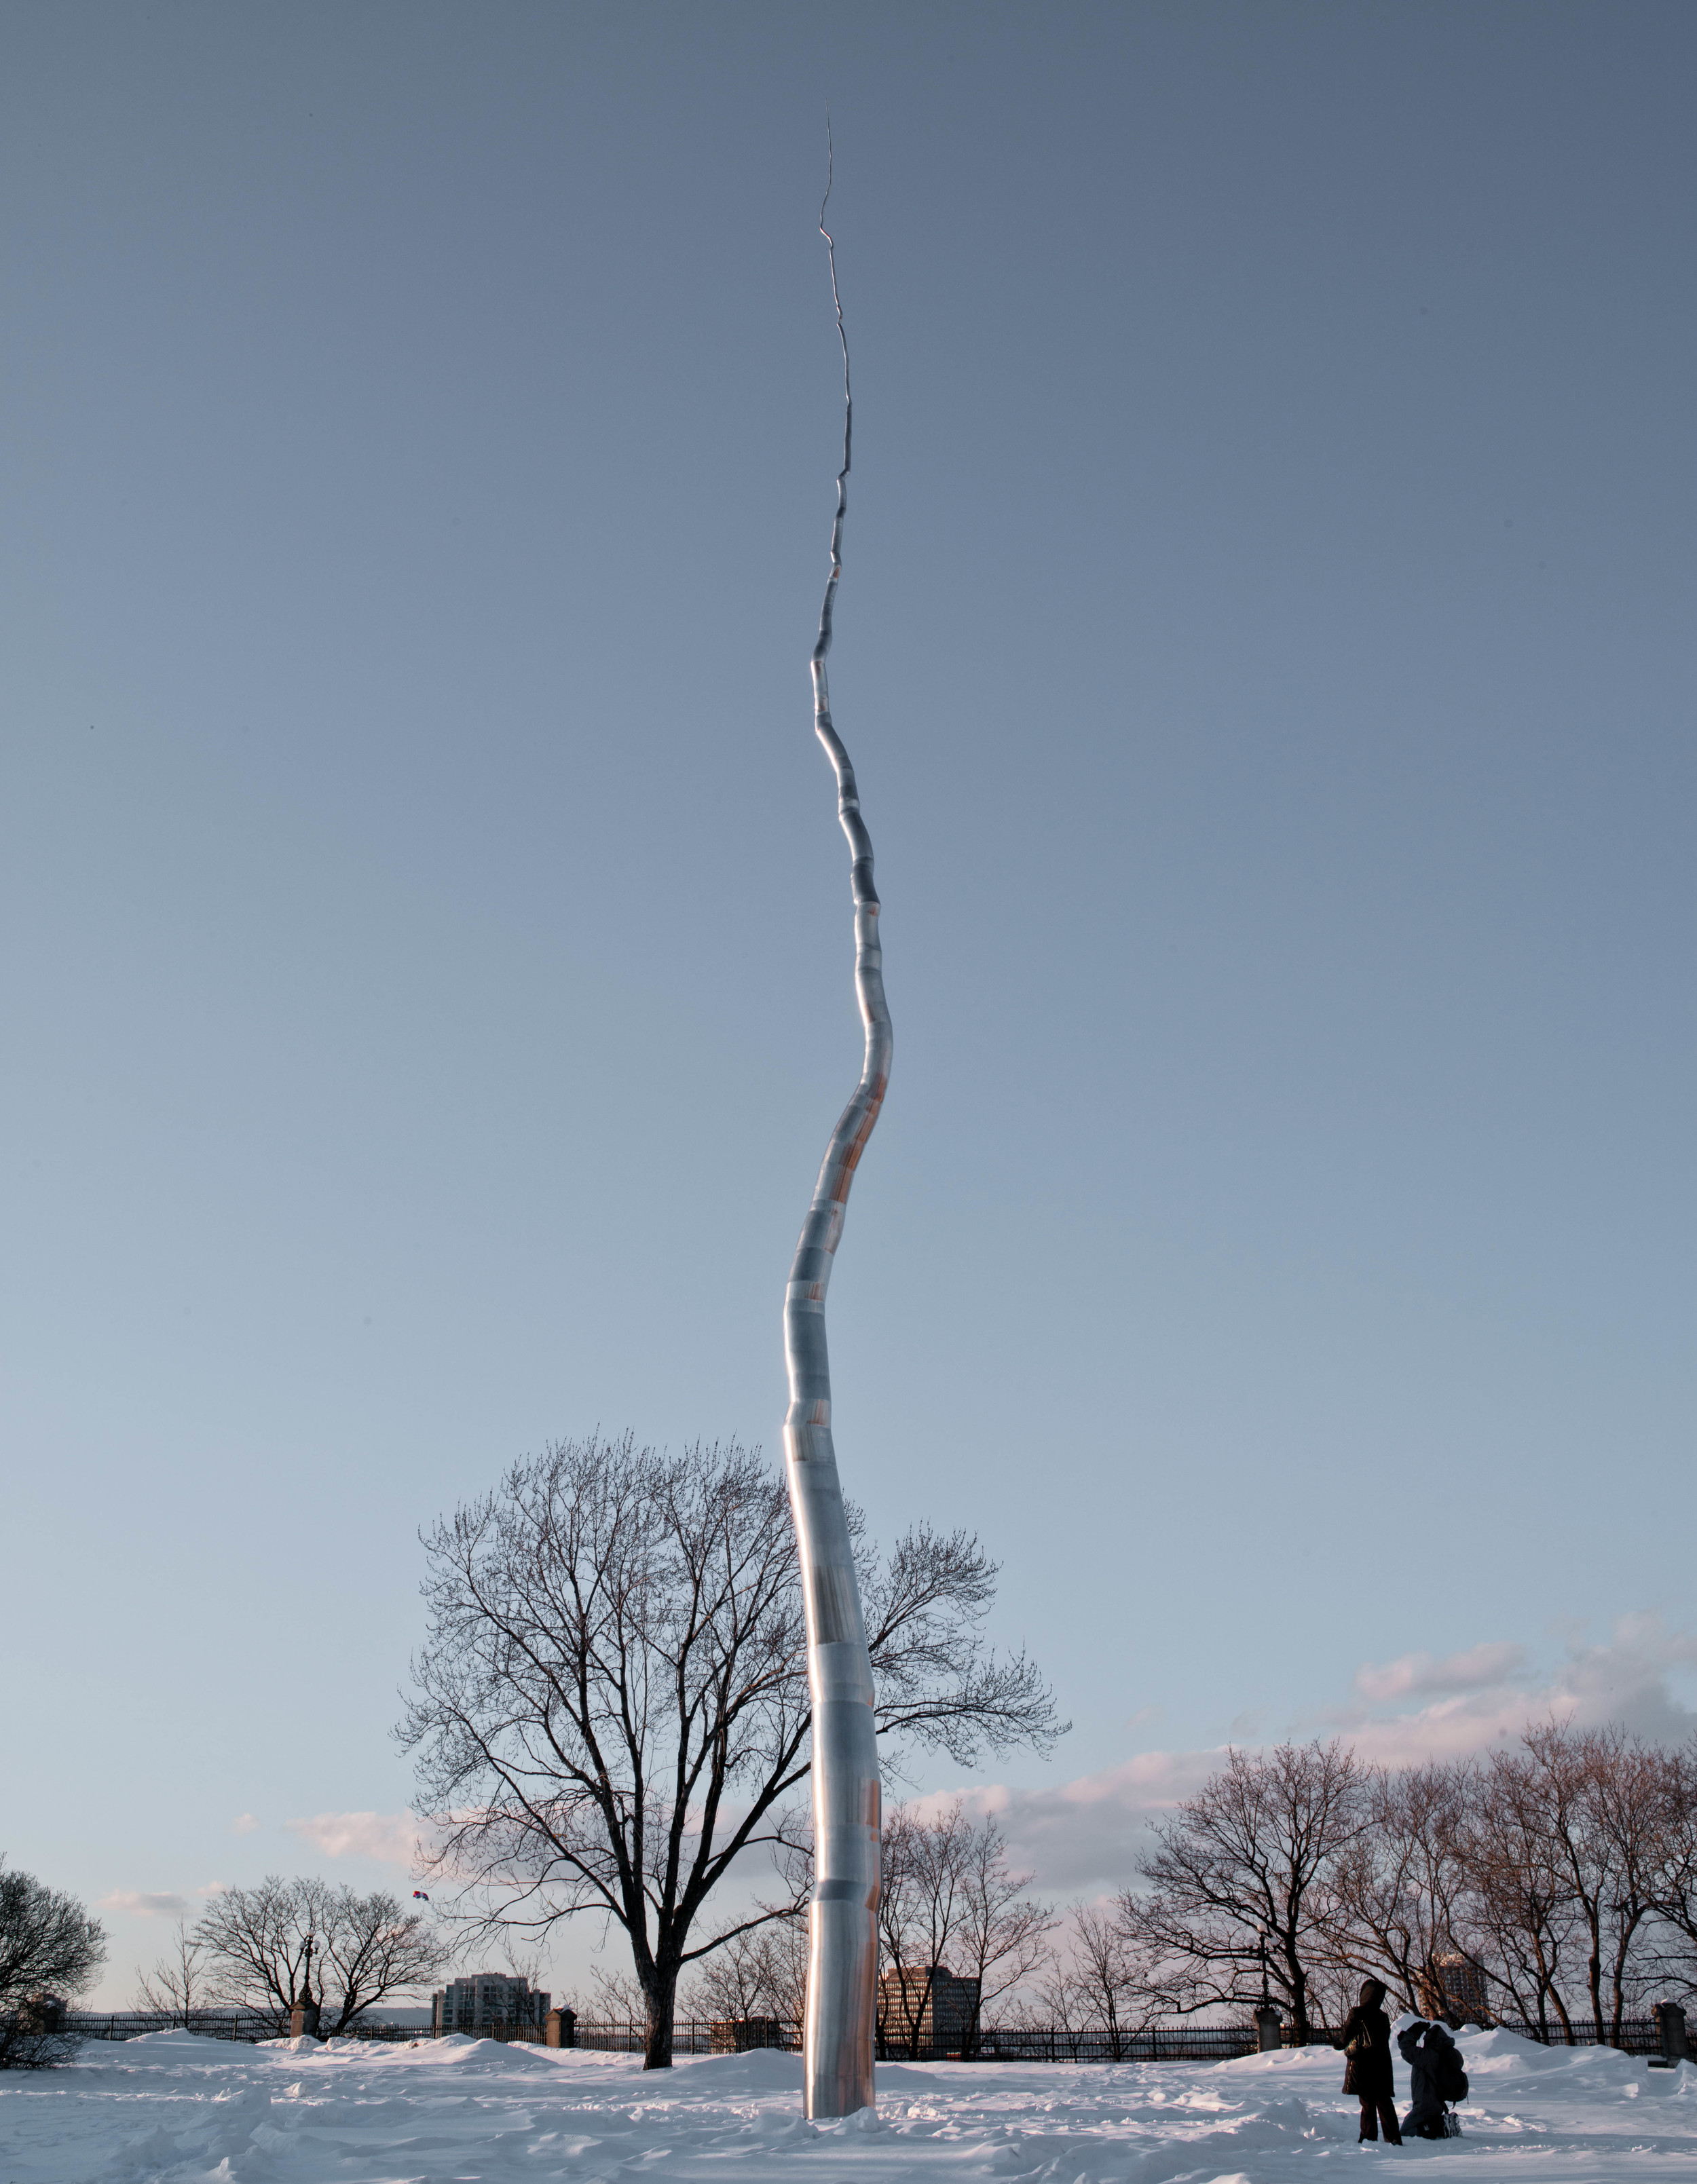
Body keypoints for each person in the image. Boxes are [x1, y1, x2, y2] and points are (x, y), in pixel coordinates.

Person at [1340, 1978, 1401, 2145]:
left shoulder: (1356, 2012)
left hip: (1363, 2065)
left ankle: (1369, 2138)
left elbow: (1344, 2038)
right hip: (1382, 2065)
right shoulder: (1383, 2017)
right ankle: (1393, 2138)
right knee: (1384, 2102)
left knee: (1367, 2102)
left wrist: (1339, 2044)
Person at [1398, 2017, 1461, 2140]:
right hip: (1436, 2103)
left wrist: (1413, 2033)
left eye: (1427, 2036)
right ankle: (1444, 2124)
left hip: (1425, 2104)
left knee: (1406, 2132)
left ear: (1433, 2039)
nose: (1425, 2037)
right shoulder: (1436, 2055)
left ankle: (1441, 2127)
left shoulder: (1428, 2056)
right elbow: (1410, 2056)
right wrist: (1405, 2040)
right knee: (1419, 2125)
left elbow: (1406, 2047)